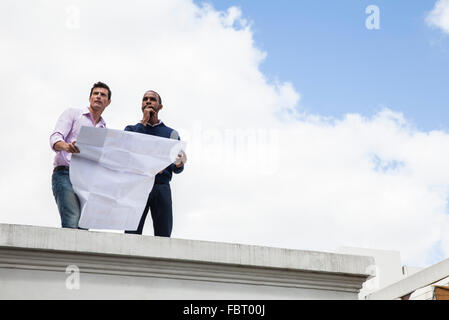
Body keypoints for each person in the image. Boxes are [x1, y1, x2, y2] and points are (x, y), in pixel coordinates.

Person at [124, 90, 187, 237]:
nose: (148, 101)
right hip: (137, 186)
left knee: (163, 234)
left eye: (152, 99)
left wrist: (179, 164)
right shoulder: (131, 129)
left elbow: (177, 168)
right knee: (131, 233)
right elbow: (126, 150)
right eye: (145, 99)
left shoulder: (171, 133)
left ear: (160, 106)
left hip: (161, 187)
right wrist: (143, 122)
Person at [50, 82, 111, 229]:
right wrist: (67, 147)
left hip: (86, 180)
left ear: (108, 102)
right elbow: (55, 138)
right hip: (65, 173)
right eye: (95, 93)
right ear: (90, 97)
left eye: (103, 95)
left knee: (84, 223)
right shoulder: (73, 114)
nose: (98, 96)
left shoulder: (103, 129)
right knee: (72, 219)